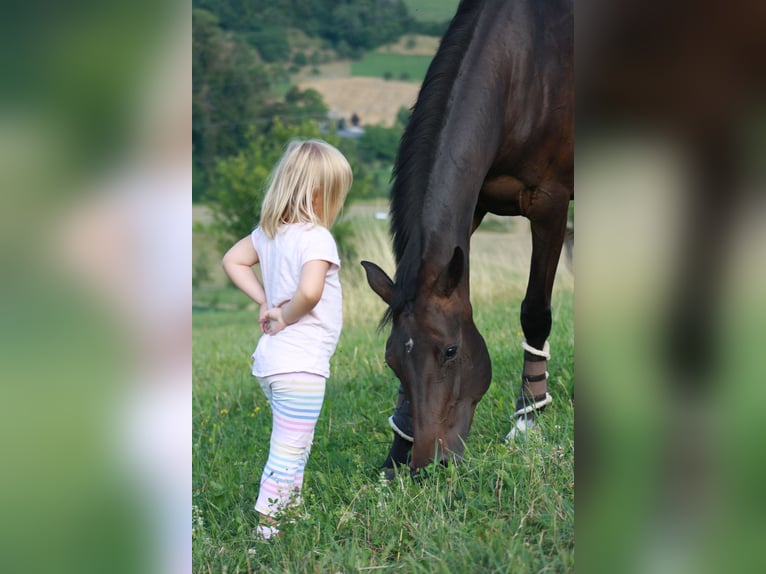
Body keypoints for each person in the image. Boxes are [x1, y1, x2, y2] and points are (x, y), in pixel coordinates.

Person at [222, 139, 352, 540]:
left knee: (297, 439)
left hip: (275, 364)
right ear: (318, 194)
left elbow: (232, 260)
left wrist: (265, 300)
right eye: (336, 194)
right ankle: (269, 526)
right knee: (289, 448)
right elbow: (311, 293)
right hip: (300, 365)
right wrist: (284, 313)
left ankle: (288, 512)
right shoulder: (316, 238)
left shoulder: (268, 234)